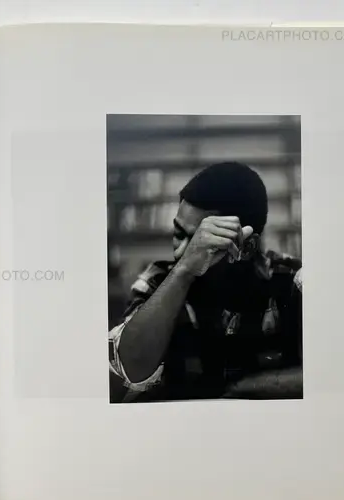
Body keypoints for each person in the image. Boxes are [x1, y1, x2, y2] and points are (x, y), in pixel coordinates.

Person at [108, 162, 303, 403]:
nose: (181, 252)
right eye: (179, 234)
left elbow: (329, 375)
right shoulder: (159, 278)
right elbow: (127, 372)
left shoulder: (291, 281)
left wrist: (242, 389)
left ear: (246, 247)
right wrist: (184, 271)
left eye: (202, 242)